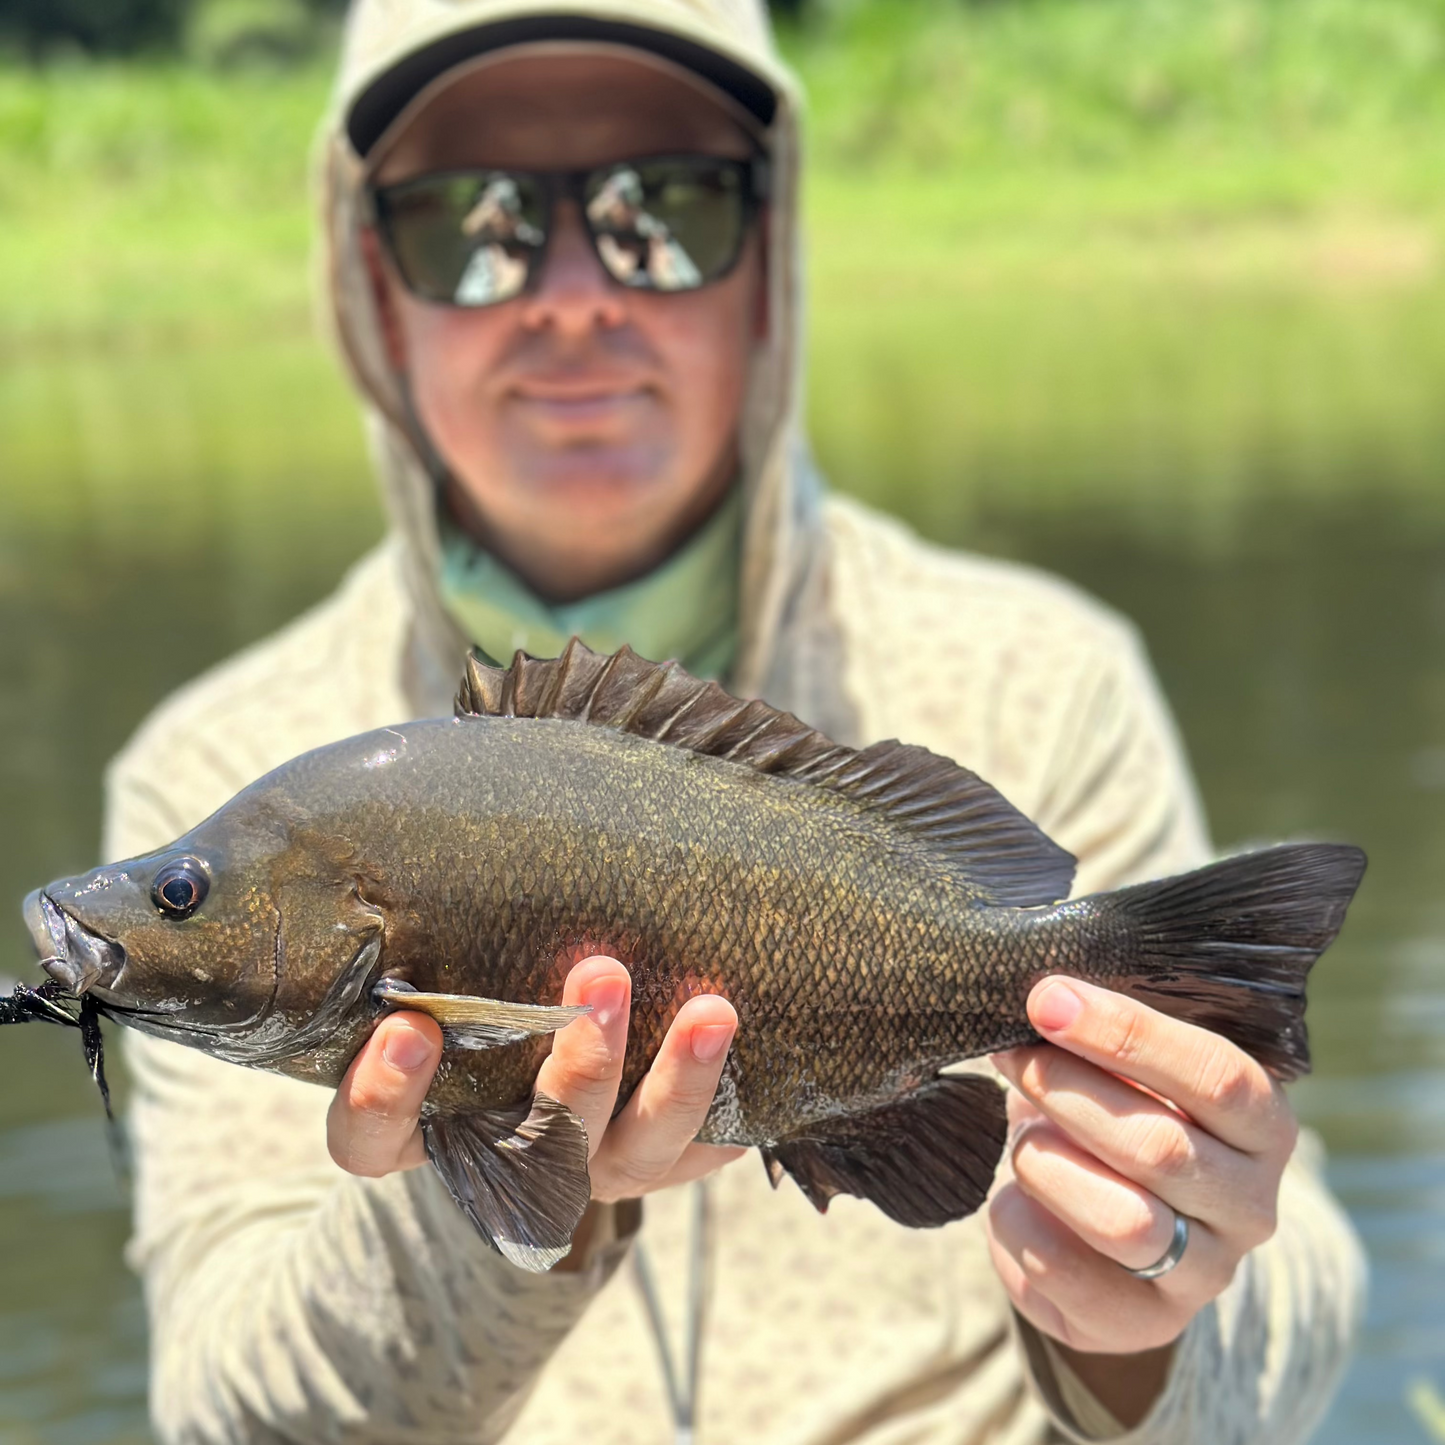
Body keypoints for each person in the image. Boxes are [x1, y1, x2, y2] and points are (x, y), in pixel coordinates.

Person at [103, 0, 1365, 1440]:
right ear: (368, 289)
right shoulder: (216, 759)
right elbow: (224, 1413)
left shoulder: (1038, 674)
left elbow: (1307, 1296)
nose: (572, 294)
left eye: (667, 212)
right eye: (473, 224)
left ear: (775, 263)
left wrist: (1150, 1315)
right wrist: (514, 1199)